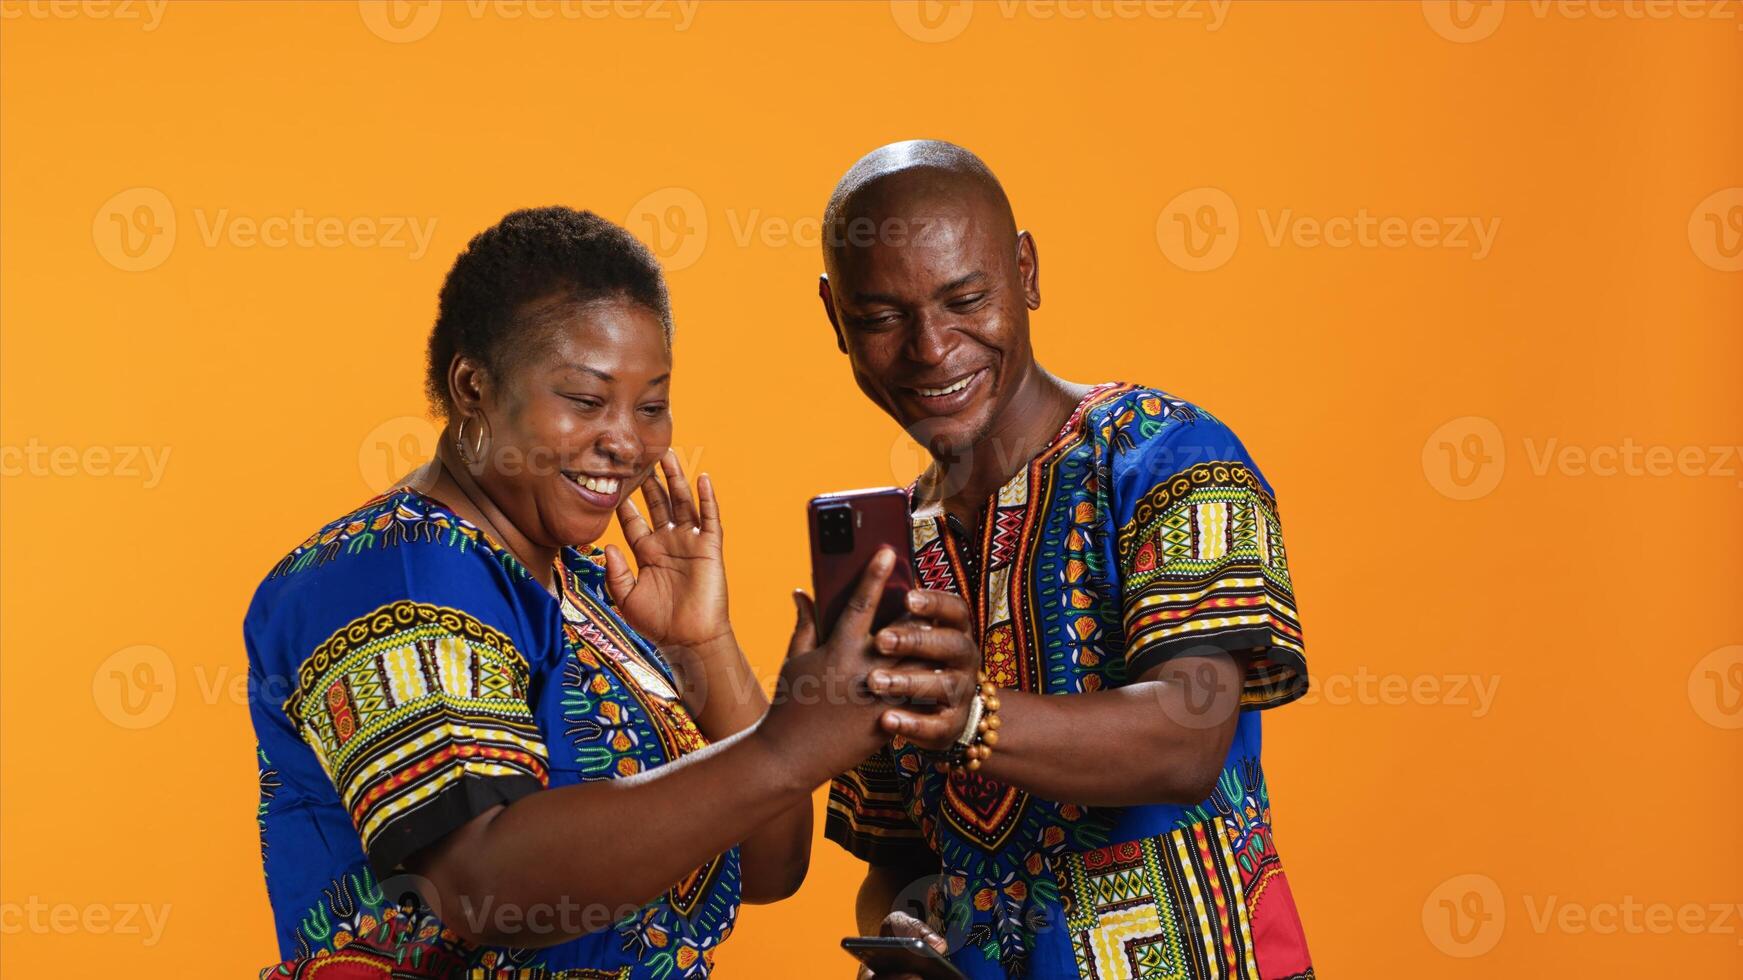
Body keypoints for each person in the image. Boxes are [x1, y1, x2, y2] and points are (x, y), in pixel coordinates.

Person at [245, 206, 982, 978]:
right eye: (586, 400)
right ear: (472, 385)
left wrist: (704, 647)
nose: (627, 441)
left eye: (653, 405)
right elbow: (480, 886)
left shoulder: (584, 589)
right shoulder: (391, 577)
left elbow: (768, 866)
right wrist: (785, 746)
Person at [817, 143, 1315, 980]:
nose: (932, 349)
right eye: (880, 319)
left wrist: (971, 714)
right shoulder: (888, 553)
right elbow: (893, 859)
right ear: (834, 318)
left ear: (1026, 272)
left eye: (965, 299)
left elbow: (1187, 740)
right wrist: (901, 929)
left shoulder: (1167, 454)